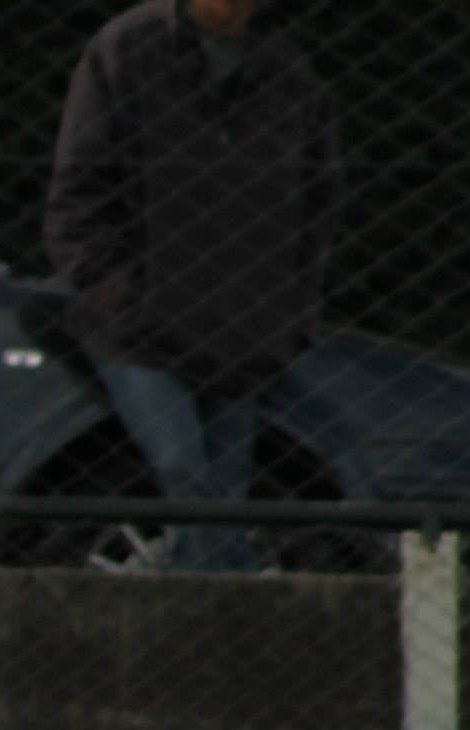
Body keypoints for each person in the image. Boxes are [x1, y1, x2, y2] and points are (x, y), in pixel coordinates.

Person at [44, 0, 343, 572]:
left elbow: (317, 204)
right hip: (141, 329)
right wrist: (116, 296)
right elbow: (78, 189)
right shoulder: (127, 50)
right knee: (185, 467)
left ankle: (206, 616)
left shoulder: (286, 72)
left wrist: (287, 314)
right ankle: (221, 613)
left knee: (222, 494)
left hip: (240, 329)